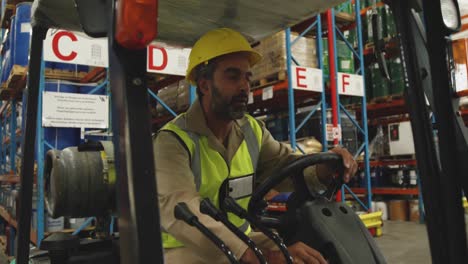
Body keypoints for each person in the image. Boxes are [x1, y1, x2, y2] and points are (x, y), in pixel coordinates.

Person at [153, 28, 358, 264]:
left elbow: (286, 166)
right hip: (188, 246)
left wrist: (324, 167)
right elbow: (183, 212)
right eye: (232, 76)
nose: (244, 87)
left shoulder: (251, 130)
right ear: (204, 85)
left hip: (240, 238)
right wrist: (262, 258)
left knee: (307, 255)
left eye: (247, 77)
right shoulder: (173, 141)